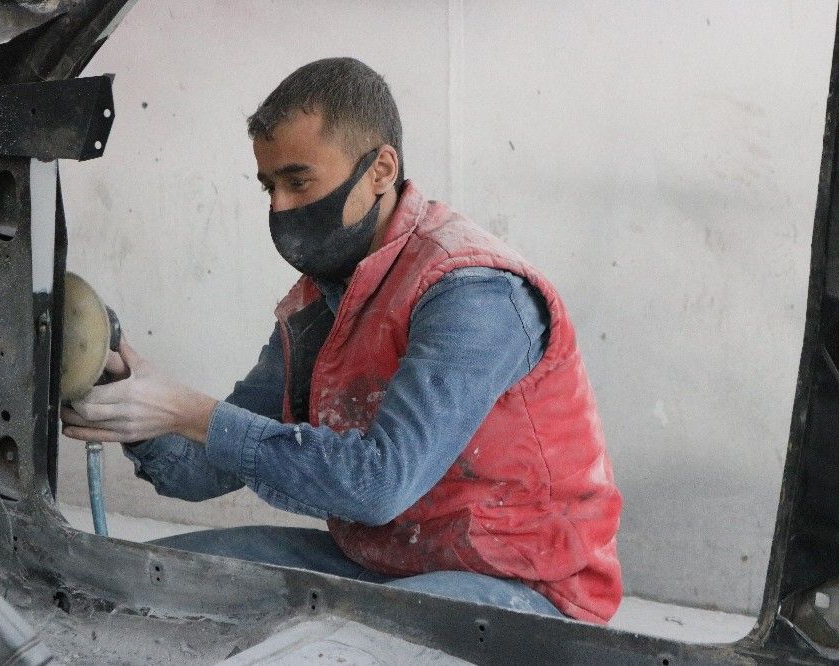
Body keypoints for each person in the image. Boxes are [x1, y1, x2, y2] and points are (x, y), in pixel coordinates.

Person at [61, 57, 622, 623]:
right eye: (269, 186)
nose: (279, 206)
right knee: (131, 580)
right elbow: (199, 469)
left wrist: (190, 413)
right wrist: (126, 397)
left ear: (380, 170)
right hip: (387, 564)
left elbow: (379, 485)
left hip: (523, 587)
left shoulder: (472, 290)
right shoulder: (322, 300)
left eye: (298, 181)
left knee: (328, 648)